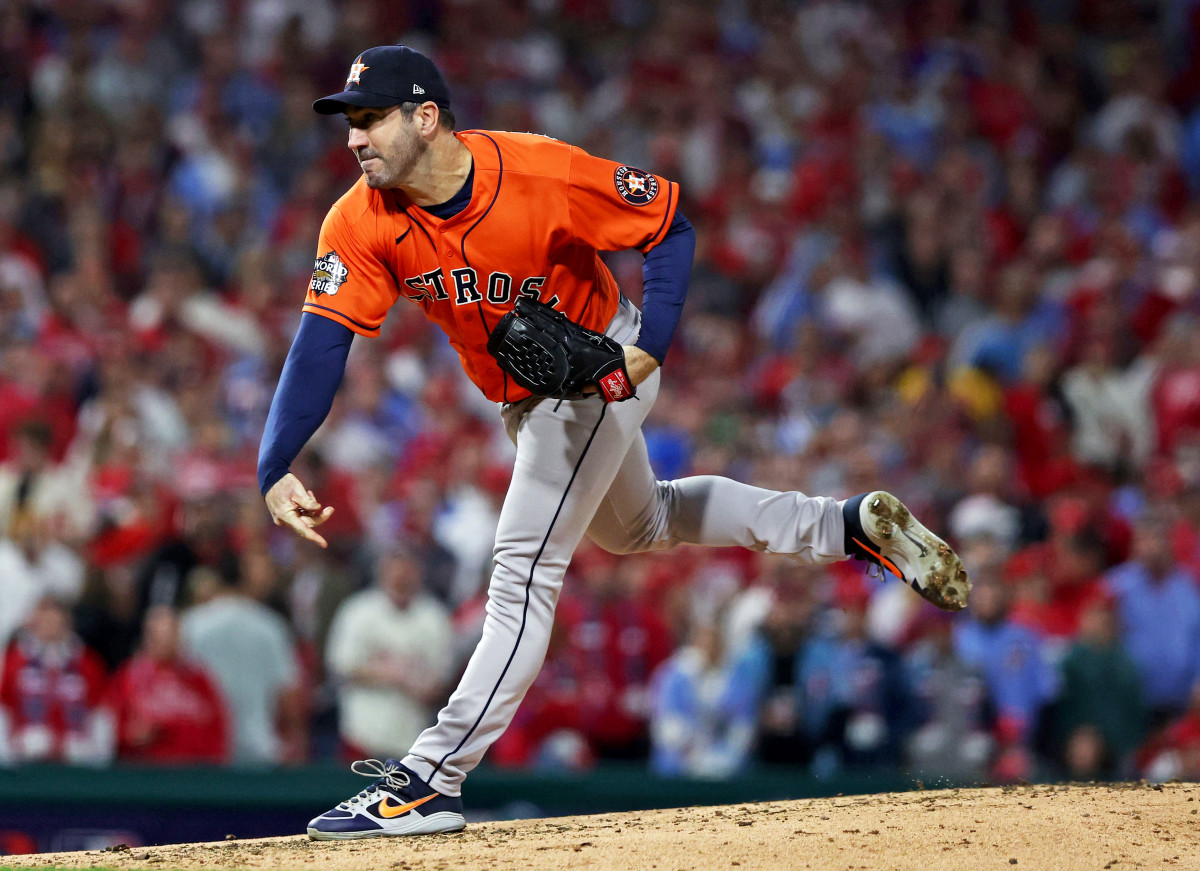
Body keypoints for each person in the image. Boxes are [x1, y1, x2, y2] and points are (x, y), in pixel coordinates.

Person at [257, 45, 971, 839]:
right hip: (528, 397)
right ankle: (845, 526)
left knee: (521, 573)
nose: (355, 138)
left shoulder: (536, 170)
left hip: (600, 369)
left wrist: (652, 346)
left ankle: (429, 778)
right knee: (643, 524)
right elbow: (320, 344)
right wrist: (275, 462)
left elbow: (668, 223)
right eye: (349, 121)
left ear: (426, 118)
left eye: (370, 118)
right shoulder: (359, 218)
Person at [325, 546, 453, 760]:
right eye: (396, 573)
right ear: (383, 574)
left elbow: (441, 683)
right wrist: (390, 673)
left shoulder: (434, 617)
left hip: (413, 737)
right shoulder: (358, 611)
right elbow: (341, 665)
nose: (402, 578)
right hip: (363, 734)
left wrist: (408, 677)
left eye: (408, 572)